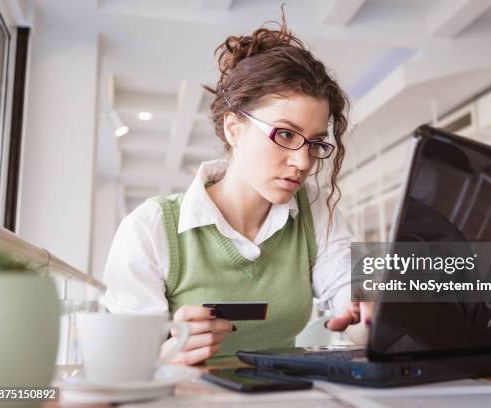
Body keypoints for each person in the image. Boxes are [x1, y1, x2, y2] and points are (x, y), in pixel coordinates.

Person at [102, 15, 371, 365]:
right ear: (234, 129)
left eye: (315, 143)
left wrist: (370, 314)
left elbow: (350, 305)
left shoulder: (315, 209)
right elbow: (123, 367)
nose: (303, 162)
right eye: (285, 134)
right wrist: (172, 352)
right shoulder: (150, 227)